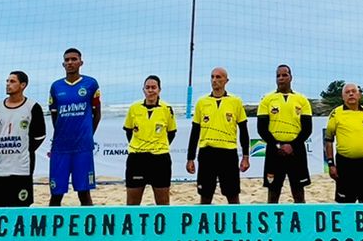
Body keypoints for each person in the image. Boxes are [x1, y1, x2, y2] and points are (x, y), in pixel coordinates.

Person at [186, 67, 250, 204]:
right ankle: (205, 224)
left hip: (228, 153)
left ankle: (235, 223)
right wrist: (190, 158)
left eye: (218, 77)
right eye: (212, 77)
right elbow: (195, 132)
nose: (214, 80)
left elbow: (243, 130)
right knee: (205, 195)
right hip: (207, 153)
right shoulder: (202, 102)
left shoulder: (235, 102)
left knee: (232, 195)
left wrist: (245, 156)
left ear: (226, 80)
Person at [48, 48, 102, 207]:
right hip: (60, 147)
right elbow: (54, 115)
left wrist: (87, 134)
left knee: (84, 194)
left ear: (81, 62)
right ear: (63, 64)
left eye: (73, 59)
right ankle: (52, 231)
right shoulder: (56, 86)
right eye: (67, 60)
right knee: (56, 195)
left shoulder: (91, 84)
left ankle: (90, 231)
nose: (70, 62)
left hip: (82, 147)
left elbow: (97, 114)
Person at [324, 83, 363, 203]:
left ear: (359, 95)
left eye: (353, 91)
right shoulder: (336, 113)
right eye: (347, 92)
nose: (351, 94)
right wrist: (331, 164)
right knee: (346, 203)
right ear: (343, 97)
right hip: (345, 163)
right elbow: (328, 140)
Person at [257, 64, 313, 203]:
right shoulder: (267, 100)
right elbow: (262, 129)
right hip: (274, 151)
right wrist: (278, 145)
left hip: (296, 150)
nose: (281, 78)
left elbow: (307, 129)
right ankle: (271, 222)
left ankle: (301, 221)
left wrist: (292, 145)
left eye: (284, 75)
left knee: (299, 191)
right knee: (273, 191)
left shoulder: (302, 100)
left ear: (291, 77)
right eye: (278, 75)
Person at [0, 71, 45, 206]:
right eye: (7, 81)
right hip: (0, 167)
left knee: (21, 209)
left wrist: (24, 150)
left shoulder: (32, 107)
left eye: (12, 81)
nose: (8, 84)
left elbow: (40, 136)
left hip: (21, 168)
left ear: (23, 85)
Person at [122, 75, 176, 206]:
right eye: (147, 87)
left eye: (153, 87)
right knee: (132, 204)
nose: (150, 90)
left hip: (160, 160)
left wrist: (157, 146)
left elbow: (171, 133)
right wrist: (140, 145)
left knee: (163, 204)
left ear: (159, 90)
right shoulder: (134, 108)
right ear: (143, 90)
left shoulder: (167, 109)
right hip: (137, 159)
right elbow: (129, 131)